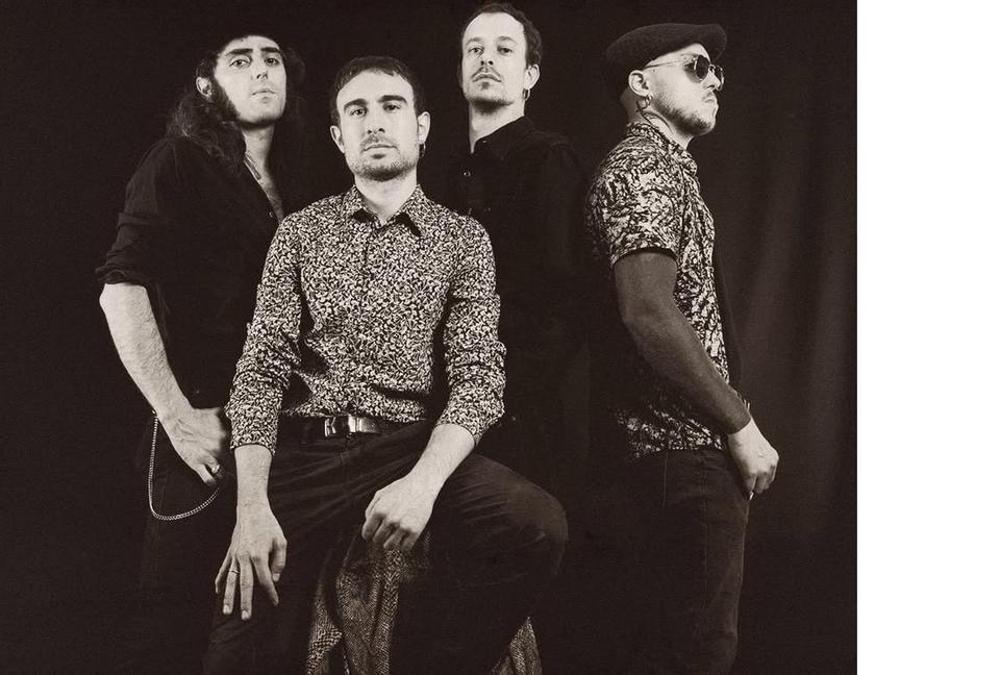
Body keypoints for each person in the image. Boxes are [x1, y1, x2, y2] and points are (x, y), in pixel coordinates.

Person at [203, 56, 567, 674]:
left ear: (421, 128)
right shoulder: (299, 233)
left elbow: (479, 379)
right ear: (339, 138)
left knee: (536, 524)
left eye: (391, 107)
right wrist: (252, 507)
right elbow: (261, 370)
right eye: (357, 111)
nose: (374, 122)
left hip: (407, 448)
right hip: (306, 457)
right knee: (236, 651)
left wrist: (423, 485)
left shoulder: (462, 240)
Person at [96, 32, 307, 672]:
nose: (261, 71)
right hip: (204, 431)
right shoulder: (180, 160)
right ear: (206, 85)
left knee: (257, 628)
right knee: (173, 625)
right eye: (240, 61)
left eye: (272, 60)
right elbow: (120, 289)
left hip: (283, 431)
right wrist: (177, 415)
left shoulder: (300, 180)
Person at [584, 23, 780, 673]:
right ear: (642, 85)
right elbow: (647, 311)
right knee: (697, 655)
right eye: (696, 67)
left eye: (717, 71)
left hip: (680, 458)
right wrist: (739, 423)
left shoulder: (668, 169)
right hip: (678, 456)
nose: (715, 80)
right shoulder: (644, 166)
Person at [445, 2, 587, 489]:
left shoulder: (549, 160)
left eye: (504, 50)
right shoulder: (450, 175)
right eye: (475, 49)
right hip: (448, 411)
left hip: (522, 415)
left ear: (530, 76)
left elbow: (567, 301)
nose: (486, 58)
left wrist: (509, 392)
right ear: (460, 73)